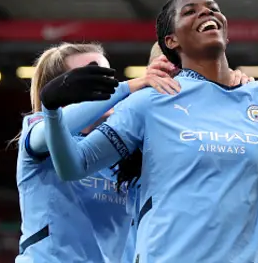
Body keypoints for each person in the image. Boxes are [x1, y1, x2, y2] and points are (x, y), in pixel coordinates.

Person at [42, 0, 258, 263]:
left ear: (226, 30)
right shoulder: (152, 101)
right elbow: (74, 165)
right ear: (171, 40)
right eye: (190, 10)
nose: (206, 12)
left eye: (213, 8)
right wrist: (53, 109)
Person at [119, 44, 258, 263]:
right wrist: (132, 87)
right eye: (170, 72)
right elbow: (76, 134)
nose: (184, 83)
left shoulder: (202, 146)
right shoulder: (126, 130)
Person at [14, 42, 179, 263]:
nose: (107, 84)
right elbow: (48, 130)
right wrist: (127, 87)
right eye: (92, 75)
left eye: (108, 75)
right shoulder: (38, 129)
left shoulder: (123, 146)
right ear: (62, 87)